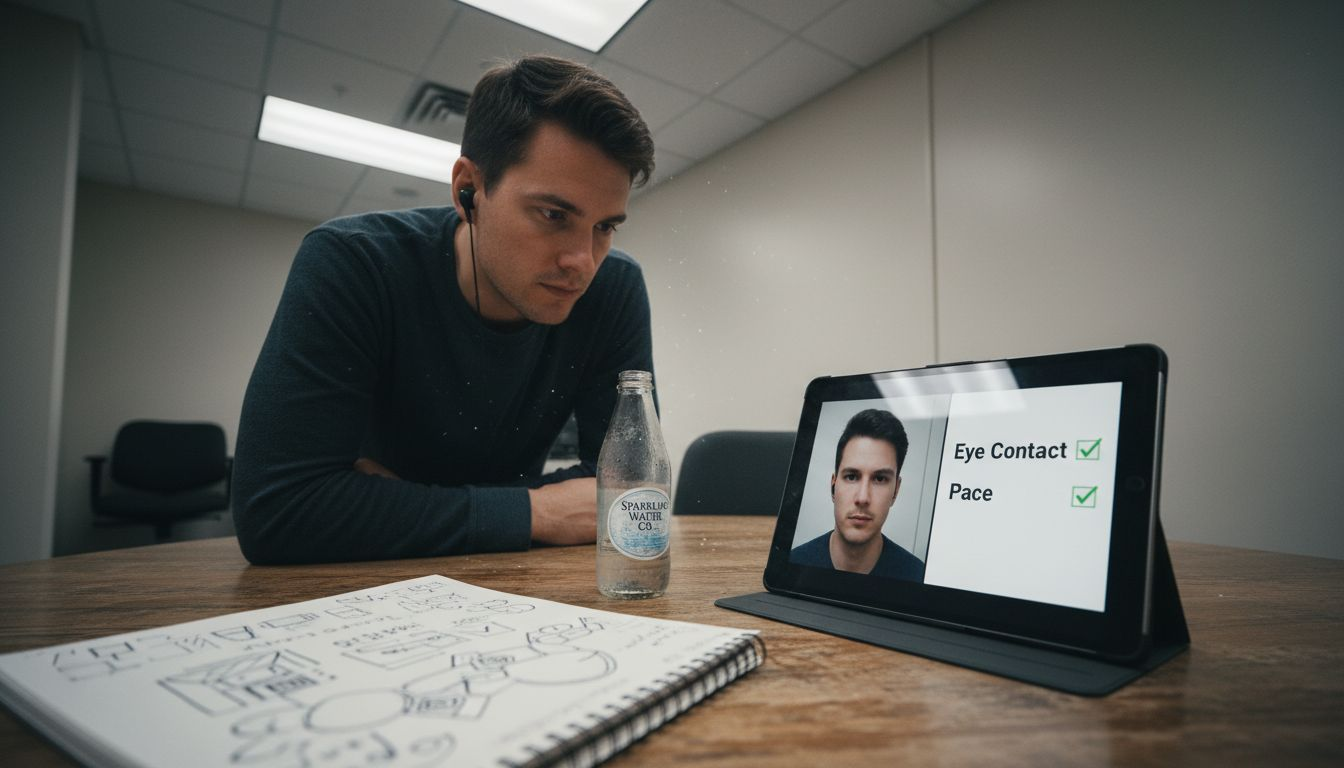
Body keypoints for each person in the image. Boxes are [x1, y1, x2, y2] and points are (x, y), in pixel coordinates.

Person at [232, 55, 656, 564]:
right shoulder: (354, 262)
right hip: (364, 584)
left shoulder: (616, 287)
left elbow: (628, 487)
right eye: (553, 214)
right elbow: (278, 511)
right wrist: (536, 510)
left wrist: (388, 503)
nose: (583, 262)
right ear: (468, 189)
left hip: (511, 577)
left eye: (605, 227)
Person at [790, 409, 925, 580]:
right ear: (833, 486)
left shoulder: (918, 576)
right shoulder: (793, 564)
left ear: (895, 491)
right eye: (851, 477)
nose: (862, 498)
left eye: (880, 479)